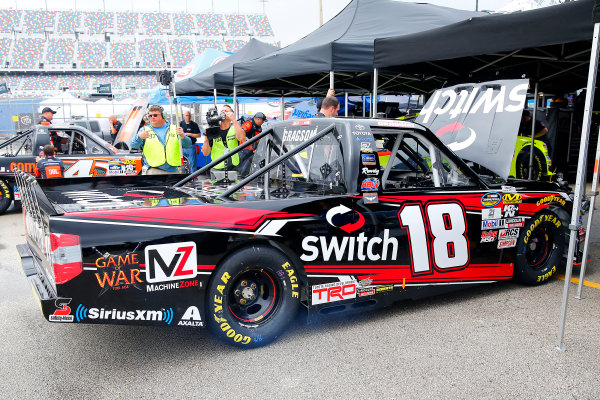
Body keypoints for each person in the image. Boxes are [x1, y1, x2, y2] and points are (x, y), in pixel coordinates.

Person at [129, 105, 191, 175]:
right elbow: (133, 144)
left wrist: (183, 136)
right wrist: (139, 137)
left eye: (155, 115)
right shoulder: (144, 130)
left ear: (163, 116)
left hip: (173, 170)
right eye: (150, 116)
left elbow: (187, 144)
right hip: (153, 170)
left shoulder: (175, 129)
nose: (152, 117)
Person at [201, 104, 246, 173]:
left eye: (226, 111)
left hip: (233, 167)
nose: (224, 112)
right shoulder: (214, 130)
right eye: (222, 111)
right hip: (217, 167)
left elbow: (242, 138)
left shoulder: (235, 128)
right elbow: (205, 153)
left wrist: (234, 120)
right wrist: (206, 136)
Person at [237, 111, 266, 176]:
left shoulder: (259, 128)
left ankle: (246, 175)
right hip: (244, 149)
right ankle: (242, 176)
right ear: (258, 119)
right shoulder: (249, 123)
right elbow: (242, 130)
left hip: (251, 149)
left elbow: (258, 139)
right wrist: (245, 142)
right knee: (243, 165)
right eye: (262, 121)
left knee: (249, 163)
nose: (263, 122)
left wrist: (257, 148)